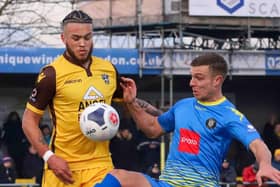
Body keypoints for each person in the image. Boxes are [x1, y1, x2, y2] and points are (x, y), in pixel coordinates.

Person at [95, 53, 280, 187]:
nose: (192, 82)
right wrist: (131, 102)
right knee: (117, 177)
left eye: (198, 78)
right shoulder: (183, 106)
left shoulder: (230, 115)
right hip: (167, 184)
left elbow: (258, 144)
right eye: (191, 76)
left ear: (217, 81)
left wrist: (264, 164)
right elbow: (152, 128)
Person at [21, 10, 125, 187]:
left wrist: (135, 102)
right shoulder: (51, 74)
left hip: (101, 165)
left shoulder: (108, 69)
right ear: (63, 38)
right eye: (76, 38)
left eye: (87, 37)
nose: (82, 44)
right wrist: (49, 157)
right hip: (63, 167)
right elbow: (28, 120)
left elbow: (131, 104)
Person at [1, 111, 28, 177]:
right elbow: (4, 137)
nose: (14, 118)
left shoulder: (21, 125)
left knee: (20, 163)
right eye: (13, 116)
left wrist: (23, 143)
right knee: (11, 162)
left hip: (20, 148)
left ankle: (20, 176)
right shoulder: (6, 125)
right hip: (11, 148)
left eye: (15, 116)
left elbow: (25, 136)